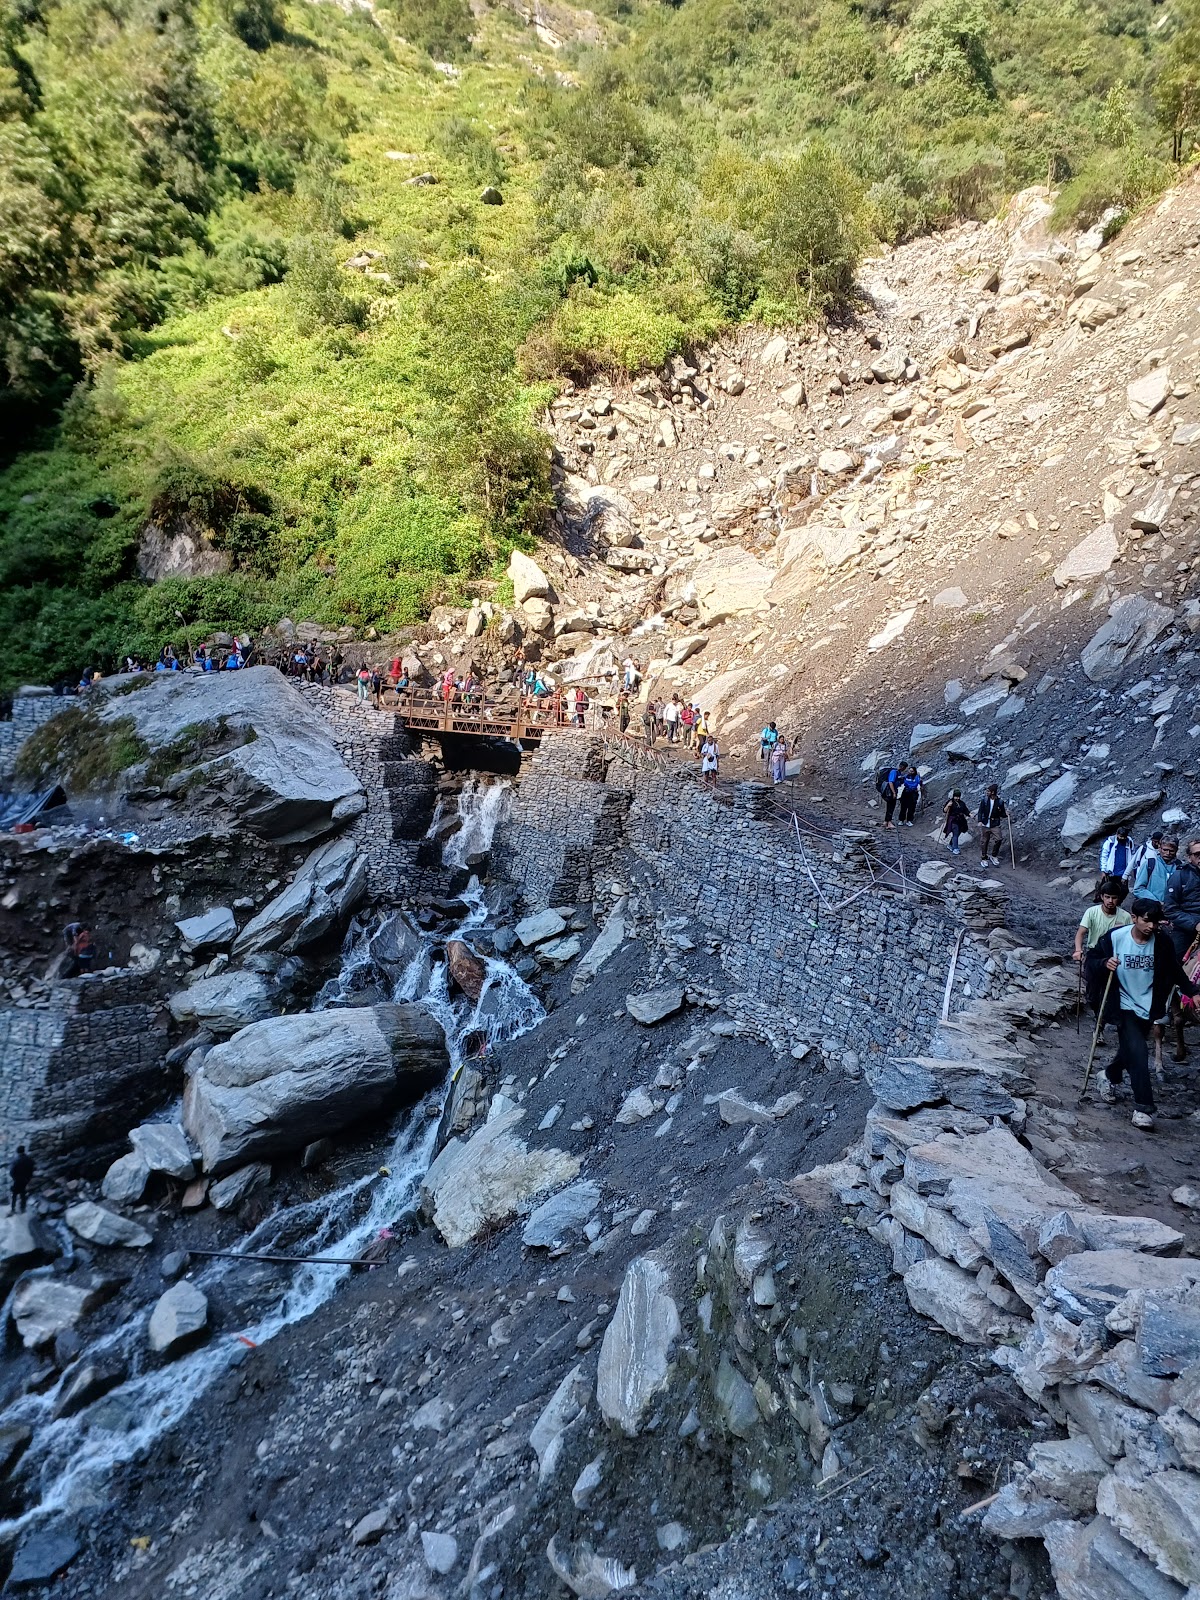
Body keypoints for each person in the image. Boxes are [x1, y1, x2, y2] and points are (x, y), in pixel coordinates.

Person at [1094, 898, 1197, 1130]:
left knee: (1131, 1049)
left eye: (1156, 922)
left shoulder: (1162, 942)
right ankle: (1143, 1108)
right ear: (1134, 918)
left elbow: (1174, 969)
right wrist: (1104, 963)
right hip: (1123, 1004)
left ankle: (1108, 1075)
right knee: (1139, 1052)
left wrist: (1192, 991)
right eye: (1147, 921)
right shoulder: (1114, 938)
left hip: (1149, 1005)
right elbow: (1092, 960)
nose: (1152, 926)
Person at [1075, 877, 1132, 1036]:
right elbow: (1081, 933)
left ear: (1119, 899)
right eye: (1107, 897)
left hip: (1115, 958)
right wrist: (1078, 950)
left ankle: (1101, 1026)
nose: (1110, 901)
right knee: (1092, 995)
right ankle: (1097, 1017)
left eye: (1114, 897)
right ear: (1101, 896)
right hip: (1095, 955)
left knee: (1112, 993)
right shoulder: (1092, 912)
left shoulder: (1125, 917)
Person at [1163, 837, 1200, 960]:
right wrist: (1194, 924)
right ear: (1189, 857)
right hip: (1185, 929)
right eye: (1197, 854)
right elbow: (1170, 909)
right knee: (1176, 962)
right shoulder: (1179, 876)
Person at [1131, 835, 1178, 902]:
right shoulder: (1150, 864)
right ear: (1159, 848)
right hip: (1152, 906)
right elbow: (1138, 889)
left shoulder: (1180, 867)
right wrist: (1156, 902)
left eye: (1171, 851)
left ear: (1176, 850)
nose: (1168, 853)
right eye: (1165, 850)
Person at [976, 785, 1007, 866]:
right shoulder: (984, 800)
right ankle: (984, 858)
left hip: (995, 824)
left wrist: (1006, 814)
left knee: (999, 839)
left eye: (988, 791)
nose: (987, 792)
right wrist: (980, 821)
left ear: (993, 792)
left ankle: (994, 855)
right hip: (985, 823)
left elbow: (1002, 814)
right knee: (984, 841)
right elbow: (980, 811)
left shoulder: (1000, 802)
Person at [941, 789, 970, 856]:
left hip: (961, 820)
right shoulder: (950, 802)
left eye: (958, 797)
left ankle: (950, 844)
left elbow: (966, 810)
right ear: (953, 796)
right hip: (953, 820)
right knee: (955, 833)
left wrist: (969, 814)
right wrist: (948, 805)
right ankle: (955, 848)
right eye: (956, 796)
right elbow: (944, 810)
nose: (957, 798)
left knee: (958, 833)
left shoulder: (962, 803)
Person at [876, 763, 902, 830]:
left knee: (889, 806)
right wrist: (894, 793)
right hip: (890, 791)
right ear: (902, 767)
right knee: (891, 806)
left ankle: (886, 822)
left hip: (890, 791)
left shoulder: (897, 772)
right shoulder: (894, 772)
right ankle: (889, 822)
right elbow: (891, 782)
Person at [9, 1146, 33, 1214]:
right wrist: (28, 1179)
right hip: (25, 1180)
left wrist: (14, 1178)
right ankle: (23, 1209)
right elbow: (31, 1170)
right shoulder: (29, 1159)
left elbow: (12, 1171)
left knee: (14, 1195)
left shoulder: (16, 1160)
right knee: (23, 1194)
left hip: (17, 1180)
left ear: (17, 1152)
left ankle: (13, 1209)